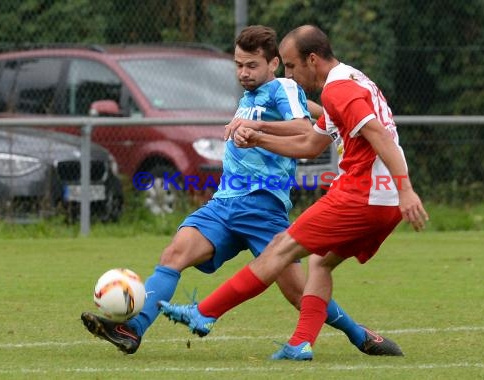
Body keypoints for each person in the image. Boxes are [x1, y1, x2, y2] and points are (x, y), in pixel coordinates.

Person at [81, 25, 402, 357]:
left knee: (298, 292)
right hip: (224, 203)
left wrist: (259, 127)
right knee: (174, 255)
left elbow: (303, 128)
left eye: (252, 65)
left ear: (273, 64)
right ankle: (131, 329)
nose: (244, 73)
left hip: (262, 207)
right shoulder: (250, 97)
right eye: (238, 65)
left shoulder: (283, 88)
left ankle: (358, 334)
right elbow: (316, 116)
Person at [159, 24, 429, 361]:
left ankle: (206, 312)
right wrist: (257, 135)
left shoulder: (338, 90)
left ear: (312, 60)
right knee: (320, 263)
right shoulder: (353, 79)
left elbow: (378, 135)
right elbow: (310, 144)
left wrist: (407, 190)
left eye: (290, 66)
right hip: (382, 201)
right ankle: (301, 343)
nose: (288, 74)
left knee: (280, 249)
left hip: (362, 194)